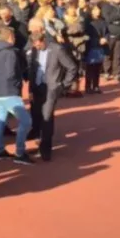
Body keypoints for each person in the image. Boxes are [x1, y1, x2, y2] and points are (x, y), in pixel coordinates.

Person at [27, 32, 78, 161]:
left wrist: (63, 85)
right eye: (35, 45)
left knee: (47, 117)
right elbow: (33, 69)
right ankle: (40, 144)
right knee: (37, 116)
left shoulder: (57, 49)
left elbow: (72, 67)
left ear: (43, 40)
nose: (37, 47)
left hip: (51, 88)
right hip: (37, 87)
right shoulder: (34, 50)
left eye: (38, 45)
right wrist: (30, 89)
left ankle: (46, 151)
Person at [0, 27, 34, 164]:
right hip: (10, 92)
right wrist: (17, 84)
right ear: (10, 37)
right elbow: (12, 73)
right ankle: (20, 152)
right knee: (26, 121)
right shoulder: (11, 53)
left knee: (0, 120)